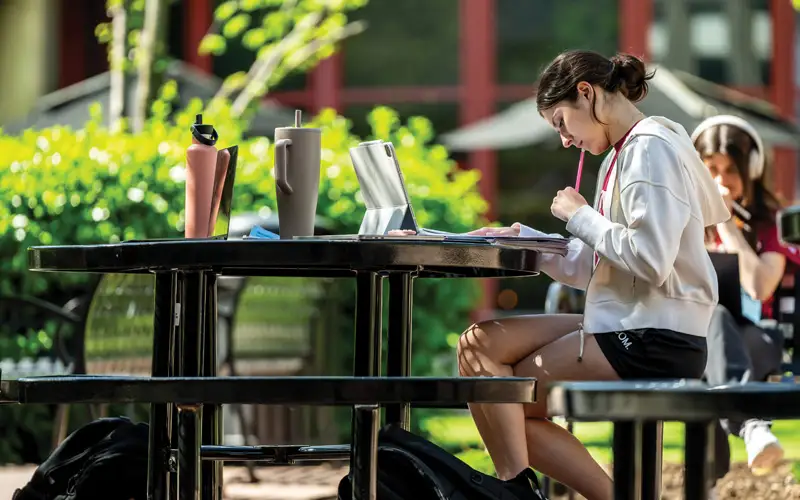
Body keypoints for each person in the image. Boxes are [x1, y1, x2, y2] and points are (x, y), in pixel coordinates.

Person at [454, 50, 730, 500]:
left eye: (561, 122)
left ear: (587, 93)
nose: (564, 139)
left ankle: (518, 491)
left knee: (505, 397)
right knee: (479, 345)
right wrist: (531, 241)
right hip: (631, 322)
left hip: (654, 336)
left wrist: (581, 217)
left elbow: (650, 259)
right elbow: (597, 266)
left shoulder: (649, 148)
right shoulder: (625, 152)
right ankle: (524, 488)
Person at [691, 115, 798, 477]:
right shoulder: (685, 220)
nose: (720, 181)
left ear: (751, 169)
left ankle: (708, 482)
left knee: (717, 329)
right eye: (712, 169)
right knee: (714, 317)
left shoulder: (772, 223)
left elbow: (760, 287)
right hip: (698, 337)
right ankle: (753, 427)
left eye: (730, 170)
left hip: (758, 337)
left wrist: (725, 223)